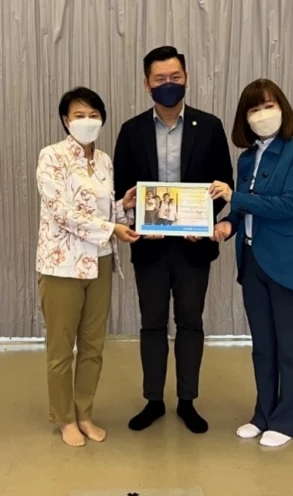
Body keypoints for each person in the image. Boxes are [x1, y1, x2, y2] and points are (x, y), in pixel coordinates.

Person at [114, 46, 234, 434]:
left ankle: (187, 400)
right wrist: (128, 215)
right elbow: (121, 189)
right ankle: (153, 400)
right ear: (147, 83)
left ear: (186, 78)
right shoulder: (131, 131)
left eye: (175, 77)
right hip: (148, 246)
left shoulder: (210, 126)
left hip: (193, 248)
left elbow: (223, 184)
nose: (168, 85)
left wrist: (206, 223)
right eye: (160, 79)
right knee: (151, 323)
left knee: (190, 323)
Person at [210, 79, 293, 447]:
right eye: (254, 109)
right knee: (262, 345)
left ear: (283, 109)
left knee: (288, 346)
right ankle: (263, 413)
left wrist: (236, 196)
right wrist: (227, 222)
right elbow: (243, 206)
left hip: (288, 263)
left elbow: (289, 205)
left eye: (269, 105)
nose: (262, 114)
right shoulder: (247, 158)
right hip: (253, 260)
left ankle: (287, 419)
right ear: (245, 118)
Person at [36, 87, 139, 447]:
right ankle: (64, 418)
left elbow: (103, 211)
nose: (86, 121)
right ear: (65, 120)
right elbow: (62, 212)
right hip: (61, 265)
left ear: (102, 119)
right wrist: (113, 228)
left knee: (93, 346)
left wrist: (123, 207)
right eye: (78, 115)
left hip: (100, 261)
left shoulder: (106, 161)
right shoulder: (51, 157)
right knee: (61, 348)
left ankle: (85, 413)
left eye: (93, 114)